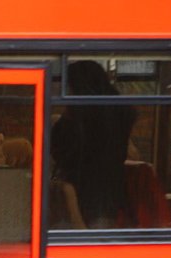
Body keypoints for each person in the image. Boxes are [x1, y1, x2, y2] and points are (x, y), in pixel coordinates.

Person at [50, 61, 137, 229]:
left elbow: (62, 155)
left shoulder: (74, 123)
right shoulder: (117, 118)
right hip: (110, 198)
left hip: (79, 199)